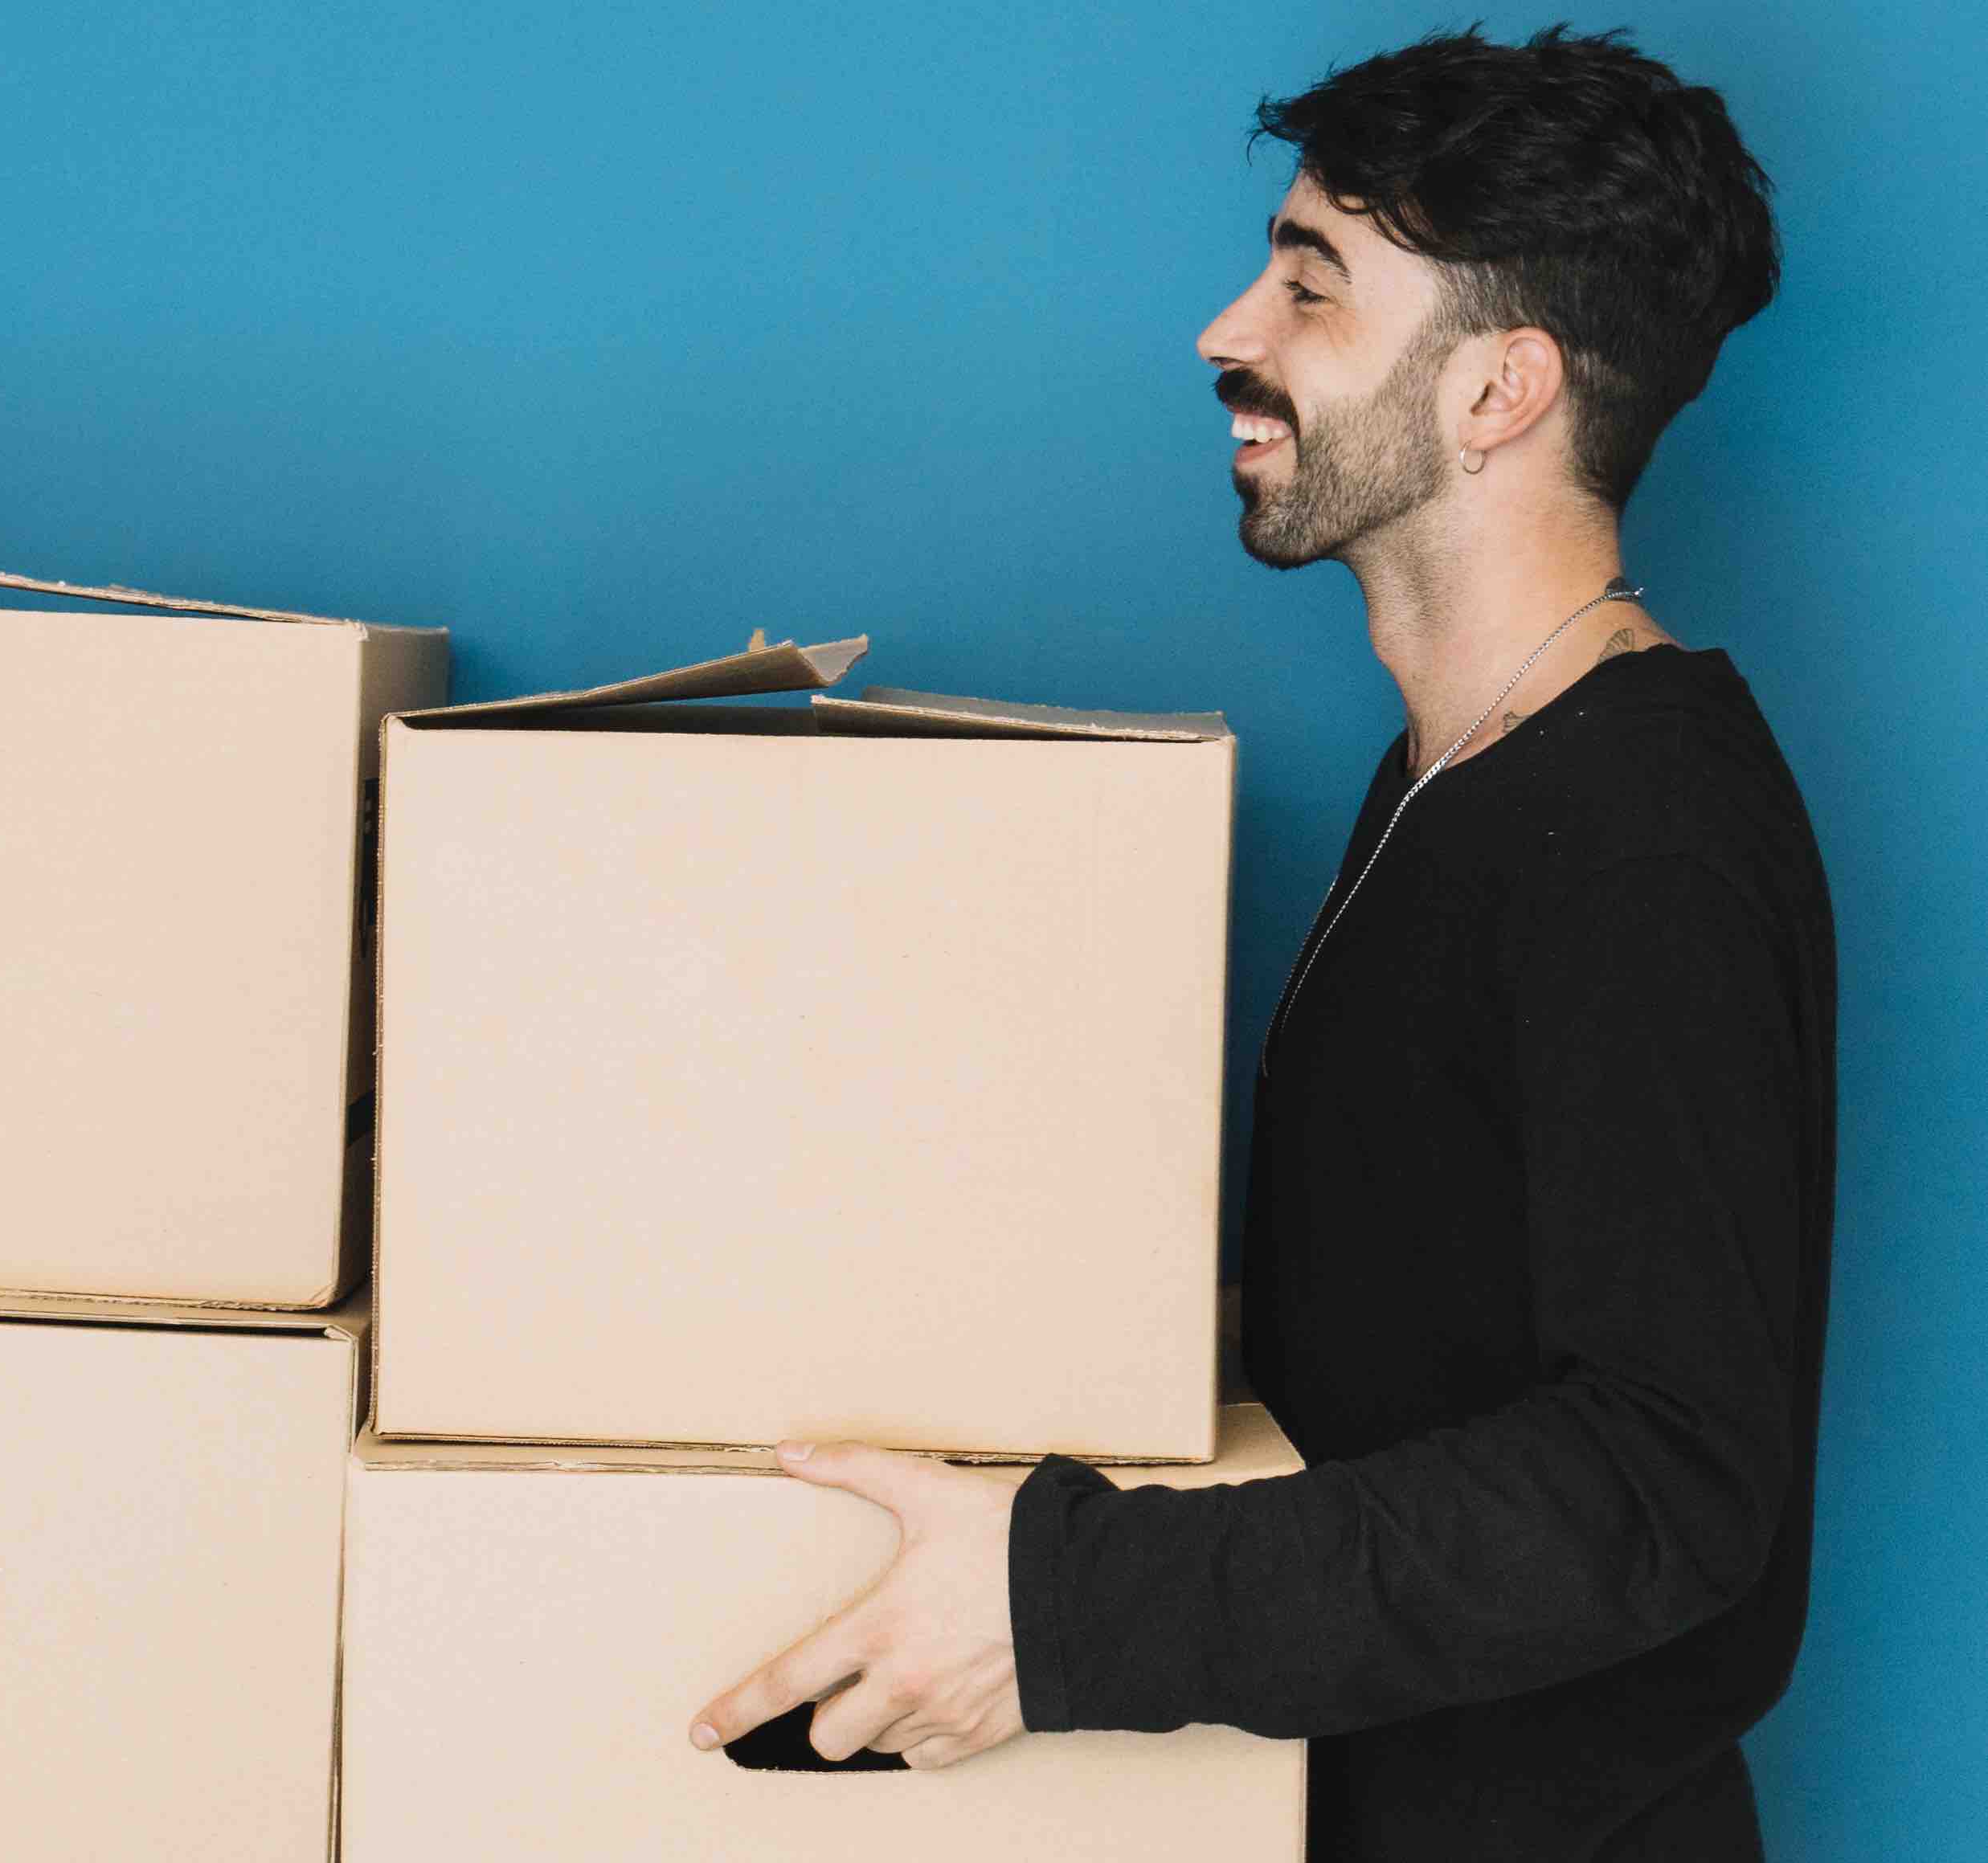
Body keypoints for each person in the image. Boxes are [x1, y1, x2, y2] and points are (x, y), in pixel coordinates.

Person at [693, 27, 1830, 1861]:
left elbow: (1661, 1475)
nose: (1229, 329)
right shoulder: (1462, 769)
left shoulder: (1640, 834)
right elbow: (1408, 1340)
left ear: (1496, 391)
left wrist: (1068, 1607)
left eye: (1310, 283)